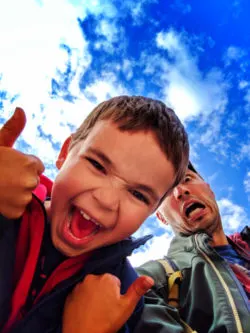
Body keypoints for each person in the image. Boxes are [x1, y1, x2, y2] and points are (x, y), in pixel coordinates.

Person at [0, 96, 189, 333]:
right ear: (65, 152)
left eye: (138, 195)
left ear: (151, 212)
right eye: (98, 165)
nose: (106, 200)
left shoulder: (124, 298)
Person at [134, 162, 250, 333]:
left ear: (209, 189)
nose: (180, 191)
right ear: (161, 217)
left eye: (187, 179)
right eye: (166, 192)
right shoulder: (159, 277)